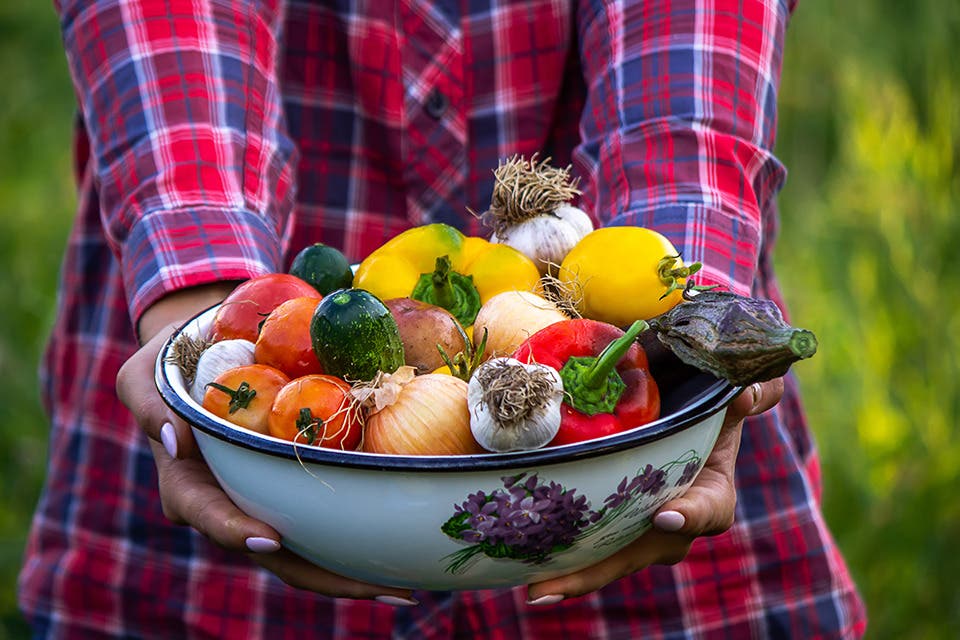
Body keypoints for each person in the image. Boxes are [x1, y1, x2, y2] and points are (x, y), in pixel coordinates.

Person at [20, 0, 867, 637]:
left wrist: (685, 321)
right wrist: (203, 307)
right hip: (243, 427)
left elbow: (688, 44)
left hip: (622, 444)